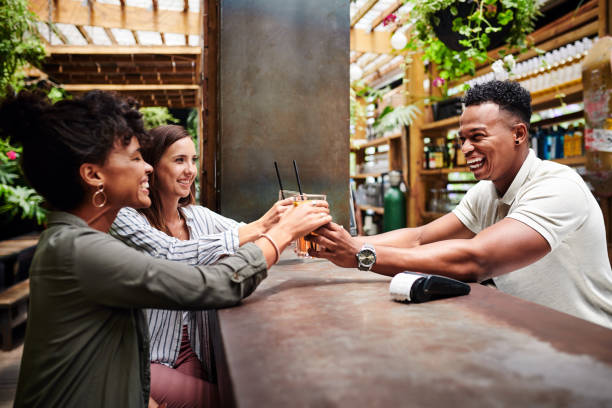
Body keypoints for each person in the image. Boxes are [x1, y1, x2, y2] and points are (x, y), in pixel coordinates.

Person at [0, 89, 331, 407]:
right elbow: (216, 284)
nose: (146, 167)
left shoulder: (75, 242)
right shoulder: (77, 251)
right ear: (93, 175)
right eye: (134, 158)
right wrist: (282, 233)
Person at [310, 80, 612, 329]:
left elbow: (477, 260)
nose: (466, 149)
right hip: (528, 334)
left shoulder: (557, 187)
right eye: (462, 139)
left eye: (477, 137)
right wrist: (340, 244)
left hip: (587, 343)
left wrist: (361, 255)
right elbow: (418, 238)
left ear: (518, 134)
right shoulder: (485, 192)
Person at [109, 124, 294, 408]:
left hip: (190, 350)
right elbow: (171, 254)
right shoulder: (126, 218)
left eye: (193, 160)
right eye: (179, 160)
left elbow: (249, 237)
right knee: (225, 400)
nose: (190, 170)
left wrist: (310, 232)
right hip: (143, 357)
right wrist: (264, 226)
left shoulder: (197, 217)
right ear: (152, 167)